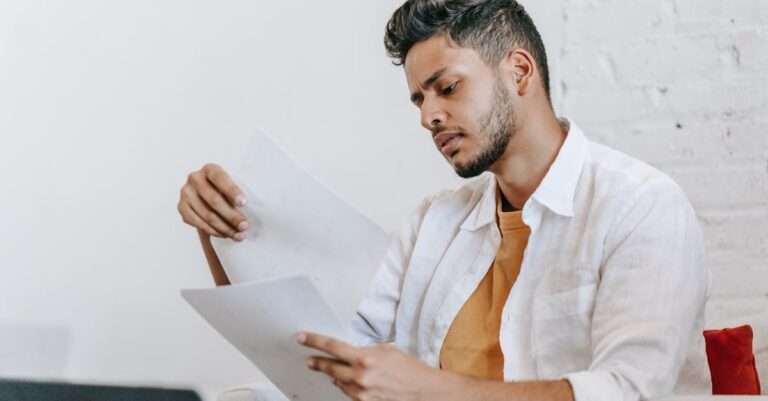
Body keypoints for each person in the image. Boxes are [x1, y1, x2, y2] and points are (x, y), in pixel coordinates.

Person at [177, 1, 712, 400]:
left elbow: (629, 392)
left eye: (447, 88)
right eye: (419, 98)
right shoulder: (436, 221)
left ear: (519, 71)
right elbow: (320, 350)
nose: (427, 116)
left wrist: (427, 389)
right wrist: (224, 228)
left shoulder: (641, 207)